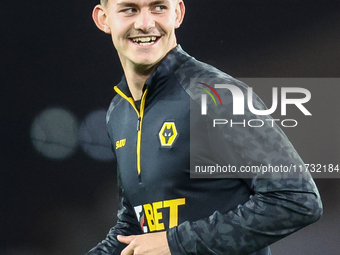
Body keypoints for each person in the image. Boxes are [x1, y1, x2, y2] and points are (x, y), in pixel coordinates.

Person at [87, 0, 323, 254]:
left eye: (158, 8)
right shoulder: (119, 111)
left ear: (177, 13)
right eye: (130, 9)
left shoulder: (215, 94)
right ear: (104, 19)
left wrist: (176, 243)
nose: (145, 23)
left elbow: (297, 200)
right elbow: (134, 225)